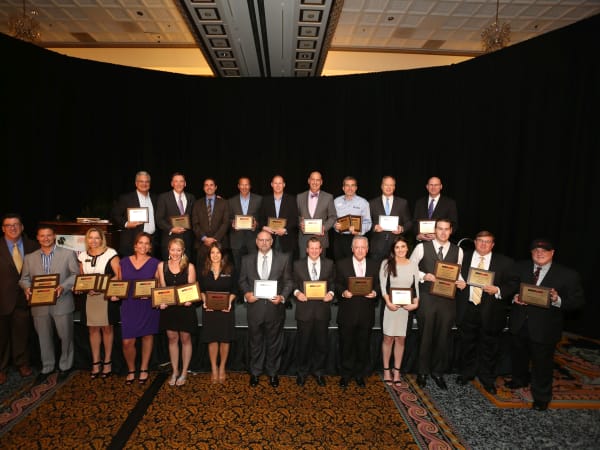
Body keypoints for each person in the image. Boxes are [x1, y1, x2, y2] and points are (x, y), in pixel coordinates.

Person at [507, 238, 585, 411]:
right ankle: (519, 380)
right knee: (518, 356)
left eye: (544, 250)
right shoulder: (519, 267)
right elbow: (509, 287)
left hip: (545, 328)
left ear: (552, 253)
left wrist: (557, 299)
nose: (539, 253)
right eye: (536, 250)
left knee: (542, 364)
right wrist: (514, 297)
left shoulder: (568, 274)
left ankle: (541, 397)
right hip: (519, 322)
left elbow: (577, 302)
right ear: (531, 253)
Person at [454, 231, 518, 394]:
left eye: (487, 241)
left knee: (489, 347)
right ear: (475, 242)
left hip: (492, 311)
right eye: (480, 241)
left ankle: (487, 378)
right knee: (466, 344)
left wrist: (498, 290)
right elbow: (452, 274)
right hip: (467, 308)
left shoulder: (505, 262)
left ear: (493, 244)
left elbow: (513, 283)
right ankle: (466, 373)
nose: (483, 244)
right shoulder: (462, 257)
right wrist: (457, 282)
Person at [20, 224, 79, 383]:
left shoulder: (68, 254)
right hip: (39, 305)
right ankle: (47, 367)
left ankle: (65, 366)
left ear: (54, 236)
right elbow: (24, 279)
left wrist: (63, 287)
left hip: (62, 301)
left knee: (65, 336)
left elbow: (76, 274)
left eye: (49, 235)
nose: (45, 238)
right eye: (42, 235)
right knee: (43, 337)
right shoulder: (29, 258)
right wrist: (27, 288)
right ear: (37, 238)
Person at [409, 218, 463, 390]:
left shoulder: (458, 250)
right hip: (427, 297)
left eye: (447, 229)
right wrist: (423, 275)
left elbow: (458, 272)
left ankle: (438, 372)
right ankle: (422, 372)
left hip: (448, 299)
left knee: (443, 336)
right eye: (440, 229)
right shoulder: (421, 247)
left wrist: (462, 282)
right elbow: (410, 267)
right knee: (425, 335)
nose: (443, 232)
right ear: (434, 230)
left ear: (451, 231)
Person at [239, 231, 293, 388]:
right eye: (261, 240)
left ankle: (273, 373)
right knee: (255, 342)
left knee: (274, 343)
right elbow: (242, 281)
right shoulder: (247, 259)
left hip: (274, 308)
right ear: (256, 241)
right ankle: (255, 372)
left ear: (272, 242)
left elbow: (289, 281)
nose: (264, 243)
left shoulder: (283, 258)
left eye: (267, 240)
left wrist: (282, 297)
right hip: (254, 308)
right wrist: (246, 294)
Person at [76, 227, 121, 379]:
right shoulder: (82, 256)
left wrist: (101, 287)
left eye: (97, 238)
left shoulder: (111, 253)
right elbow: (82, 278)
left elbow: (119, 275)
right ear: (86, 240)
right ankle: (96, 362)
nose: (93, 241)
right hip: (90, 298)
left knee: (107, 329)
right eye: (90, 237)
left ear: (102, 239)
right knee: (93, 330)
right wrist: (86, 288)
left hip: (106, 297)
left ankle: (107, 362)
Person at [335, 235, 380, 388]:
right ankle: (346, 374)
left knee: (363, 345)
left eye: (363, 247)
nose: (360, 250)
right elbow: (336, 284)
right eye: (357, 247)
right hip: (347, 313)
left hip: (366, 313)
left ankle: (360, 374)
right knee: (346, 345)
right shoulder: (341, 264)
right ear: (352, 249)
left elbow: (379, 284)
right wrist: (343, 292)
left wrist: (375, 292)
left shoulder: (375, 265)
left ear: (367, 249)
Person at [0, 213, 39, 384]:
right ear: (3, 229)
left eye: (16, 224)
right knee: (1, 336)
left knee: (22, 333)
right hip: (2, 299)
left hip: (25, 298)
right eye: (8, 225)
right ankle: (1, 369)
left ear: (22, 227)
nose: (13, 228)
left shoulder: (33, 246)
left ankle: (22, 363)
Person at [292, 237, 335, 387]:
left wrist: (331, 293)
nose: (314, 251)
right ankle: (302, 372)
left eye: (317, 248)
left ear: (321, 250)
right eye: (312, 248)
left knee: (321, 344)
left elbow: (333, 283)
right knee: (303, 344)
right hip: (304, 311)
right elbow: (293, 283)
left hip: (322, 310)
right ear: (307, 249)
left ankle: (319, 372)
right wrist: (297, 293)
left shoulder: (329, 264)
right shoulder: (297, 264)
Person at [119, 232, 161, 385]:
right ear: (135, 245)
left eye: (146, 243)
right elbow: (119, 284)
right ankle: (131, 369)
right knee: (127, 342)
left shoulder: (156, 263)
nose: (143, 246)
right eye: (140, 243)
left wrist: (151, 295)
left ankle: (144, 368)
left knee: (147, 337)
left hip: (147, 305)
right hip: (129, 305)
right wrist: (115, 294)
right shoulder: (123, 262)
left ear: (150, 247)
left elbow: (159, 286)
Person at [156, 237, 197, 387]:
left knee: (185, 339)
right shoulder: (162, 266)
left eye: (178, 250)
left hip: (185, 308)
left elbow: (191, 289)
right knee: (172, 339)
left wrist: (190, 300)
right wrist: (161, 302)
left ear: (183, 251)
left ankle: (184, 372)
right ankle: (174, 371)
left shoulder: (190, 267)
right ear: (168, 250)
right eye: (173, 250)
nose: (175, 253)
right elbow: (162, 287)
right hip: (169, 308)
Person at [379, 235, 419, 387]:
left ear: (407, 248)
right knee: (388, 339)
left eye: (403, 246)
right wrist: (388, 302)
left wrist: (416, 303)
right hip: (391, 308)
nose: (400, 250)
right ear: (393, 249)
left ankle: (397, 371)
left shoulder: (413, 264)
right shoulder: (386, 263)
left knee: (401, 340)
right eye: (397, 247)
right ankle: (386, 370)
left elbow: (416, 287)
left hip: (405, 309)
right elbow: (383, 286)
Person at [198, 242, 236, 383]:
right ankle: (214, 367)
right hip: (209, 309)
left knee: (225, 339)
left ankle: (222, 367)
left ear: (222, 254)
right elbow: (201, 290)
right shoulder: (203, 270)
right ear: (209, 255)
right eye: (212, 252)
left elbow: (234, 290)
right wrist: (205, 302)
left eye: (218, 252)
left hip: (226, 310)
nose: (215, 255)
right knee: (212, 339)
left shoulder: (230, 269)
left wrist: (229, 302)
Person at [111, 170, 159, 257]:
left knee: (150, 265)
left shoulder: (155, 198)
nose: (144, 184)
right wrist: (126, 224)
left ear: (150, 183)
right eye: (141, 181)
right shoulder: (126, 198)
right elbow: (115, 215)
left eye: (147, 181)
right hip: (132, 242)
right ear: (136, 183)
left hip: (151, 243)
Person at [368, 175, 412, 265]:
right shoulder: (372, 203)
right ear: (381, 186)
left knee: (396, 272)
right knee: (376, 272)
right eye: (386, 185)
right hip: (377, 247)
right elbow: (366, 222)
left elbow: (409, 222)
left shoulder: (403, 203)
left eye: (391, 185)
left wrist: (402, 229)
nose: (388, 187)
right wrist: (374, 227)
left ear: (394, 187)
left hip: (396, 247)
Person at [155, 172, 196, 263]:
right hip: (170, 240)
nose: (179, 184)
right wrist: (171, 228)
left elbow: (194, 216)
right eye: (176, 181)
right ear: (172, 183)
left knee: (186, 268)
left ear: (185, 183)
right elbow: (159, 219)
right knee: (169, 268)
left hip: (187, 241)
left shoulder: (191, 197)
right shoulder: (163, 197)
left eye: (181, 181)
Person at [258, 174, 299, 263]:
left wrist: (285, 229)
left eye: (280, 183)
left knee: (286, 267)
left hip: (287, 240)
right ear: (271, 184)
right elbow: (260, 218)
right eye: (275, 183)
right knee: (271, 266)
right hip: (269, 240)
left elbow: (295, 219)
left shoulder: (292, 199)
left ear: (284, 185)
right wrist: (264, 227)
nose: (277, 185)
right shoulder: (265, 200)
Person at [192, 177, 230, 269]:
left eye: (211, 185)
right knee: (202, 271)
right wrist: (204, 238)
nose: (209, 187)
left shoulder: (224, 203)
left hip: (220, 243)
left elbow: (225, 223)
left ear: (215, 187)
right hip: (202, 244)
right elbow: (195, 224)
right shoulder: (197, 204)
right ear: (203, 188)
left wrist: (214, 239)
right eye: (206, 185)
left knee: (220, 271)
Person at [296, 171, 337, 256]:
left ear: (321, 182)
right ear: (309, 181)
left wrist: (324, 228)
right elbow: (295, 215)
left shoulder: (328, 197)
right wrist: (300, 222)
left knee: (321, 264)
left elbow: (333, 216)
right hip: (304, 240)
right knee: (303, 264)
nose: (315, 182)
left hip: (321, 239)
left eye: (318, 180)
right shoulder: (299, 197)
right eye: (313, 179)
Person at [228, 176, 262, 275]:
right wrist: (232, 223)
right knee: (238, 269)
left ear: (250, 186)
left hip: (253, 240)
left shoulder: (259, 199)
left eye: (246, 185)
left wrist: (257, 224)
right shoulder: (231, 201)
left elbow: (262, 217)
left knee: (254, 268)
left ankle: (252, 285)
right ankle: (240, 285)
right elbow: (227, 218)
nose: (244, 187)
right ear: (238, 186)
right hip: (237, 240)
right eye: (242, 185)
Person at [333, 176, 372, 261]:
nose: (350, 188)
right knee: (339, 264)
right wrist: (335, 225)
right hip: (339, 238)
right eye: (347, 185)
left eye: (352, 185)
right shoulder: (336, 201)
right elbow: (332, 218)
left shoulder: (363, 203)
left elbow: (368, 223)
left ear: (356, 188)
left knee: (354, 265)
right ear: (343, 188)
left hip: (356, 238)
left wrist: (359, 231)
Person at [412, 176, 458, 242]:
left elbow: (454, 225)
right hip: (422, 242)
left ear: (441, 186)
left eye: (436, 185)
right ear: (427, 187)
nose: (433, 187)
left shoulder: (450, 203)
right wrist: (418, 236)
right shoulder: (419, 202)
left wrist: (439, 235)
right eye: (431, 185)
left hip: (441, 242)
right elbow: (414, 222)